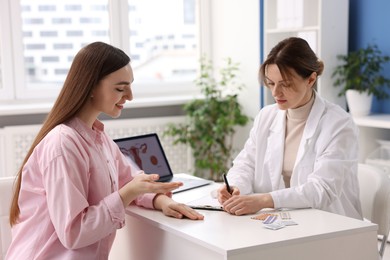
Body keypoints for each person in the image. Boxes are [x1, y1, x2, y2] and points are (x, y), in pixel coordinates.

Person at [6, 42, 204, 259]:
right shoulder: (63, 144)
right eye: (120, 88)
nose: (130, 96)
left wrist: (162, 201)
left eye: (130, 86)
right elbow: (74, 232)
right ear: (90, 86)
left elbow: (130, 179)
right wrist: (127, 193)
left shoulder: (99, 139)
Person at [217, 37, 363, 220]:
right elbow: (246, 164)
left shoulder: (339, 124)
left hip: (331, 224)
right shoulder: (266, 116)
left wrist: (263, 200)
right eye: (271, 83)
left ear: (310, 79)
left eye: (285, 84)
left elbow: (322, 189)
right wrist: (235, 186)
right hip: (283, 222)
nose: (275, 93)